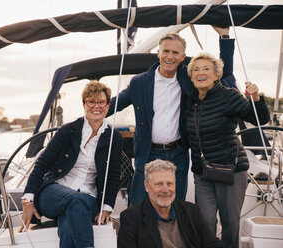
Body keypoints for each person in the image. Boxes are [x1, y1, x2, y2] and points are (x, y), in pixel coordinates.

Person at [107, 27, 235, 204]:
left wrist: (224, 36)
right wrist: (88, 113)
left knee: (175, 205)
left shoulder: (189, 79)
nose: (170, 56)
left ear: (182, 57)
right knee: (139, 205)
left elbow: (223, 73)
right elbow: (112, 105)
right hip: (148, 153)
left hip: (178, 153)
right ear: (158, 53)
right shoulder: (140, 82)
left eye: (175, 52)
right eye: (166, 51)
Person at [19, 80, 123, 248]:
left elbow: (113, 176)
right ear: (84, 104)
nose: (96, 106)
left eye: (101, 102)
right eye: (91, 101)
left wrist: (107, 207)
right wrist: (28, 200)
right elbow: (42, 164)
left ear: (108, 105)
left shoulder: (114, 138)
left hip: (89, 197)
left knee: (69, 221)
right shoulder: (67, 131)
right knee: (75, 201)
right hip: (53, 192)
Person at [184, 53, 270, 248]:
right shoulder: (190, 100)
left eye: (206, 69)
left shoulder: (229, 96)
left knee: (230, 225)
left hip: (230, 169)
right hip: (202, 171)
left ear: (216, 75)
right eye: (196, 70)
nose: (200, 73)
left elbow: (259, 119)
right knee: (205, 223)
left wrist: (256, 97)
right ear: (190, 77)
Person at [118, 159, 224, 248]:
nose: (165, 190)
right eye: (159, 184)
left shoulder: (192, 212)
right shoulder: (131, 218)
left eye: (170, 184)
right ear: (146, 186)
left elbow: (214, 245)